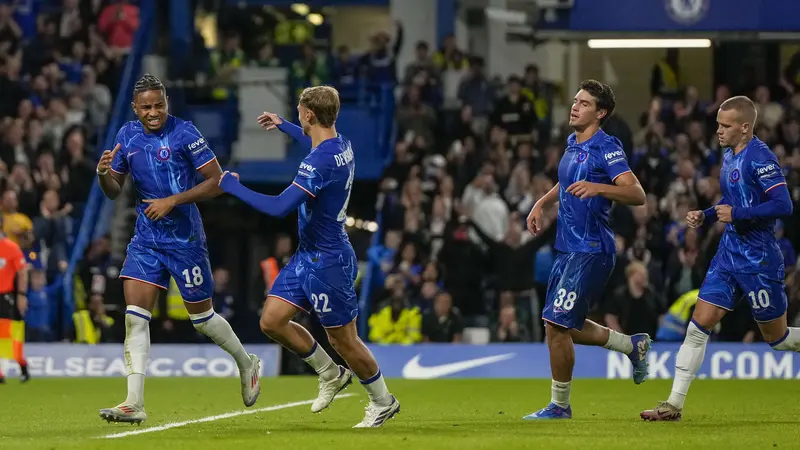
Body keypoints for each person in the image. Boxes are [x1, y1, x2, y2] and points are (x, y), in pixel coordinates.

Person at [218, 85, 400, 428]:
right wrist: (285, 125)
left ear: (309, 115)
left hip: (329, 260)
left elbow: (278, 207)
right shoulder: (339, 144)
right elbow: (314, 143)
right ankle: (330, 372)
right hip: (308, 256)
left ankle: (383, 400)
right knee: (271, 320)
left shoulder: (319, 162)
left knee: (343, 339)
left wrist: (232, 187)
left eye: (300, 111)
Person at [95, 74, 260, 424]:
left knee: (202, 319)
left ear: (166, 103)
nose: (153, 112)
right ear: (134, 109)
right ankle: (133, 402)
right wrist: (103, 174)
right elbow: (114, 190)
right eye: (146, 107)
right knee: (134, 318)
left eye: (159, 105)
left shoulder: (185, 133)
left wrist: (173, 200)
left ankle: (247, 362)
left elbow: (218, 182)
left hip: (185, 240)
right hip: (146, 239)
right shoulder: (127, 135)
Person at [641, 96, 797, 421]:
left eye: (725, 126)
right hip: (728, 254)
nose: (718, 131)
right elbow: (731, 200)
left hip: (758, 258)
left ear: (745, 127)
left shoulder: (761, 158)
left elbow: (783, 205)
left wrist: (736, 213)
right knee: (698, 326)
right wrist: (708, 215)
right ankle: (673, 404)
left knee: (778, 340)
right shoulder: (729, 155)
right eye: (718, 124)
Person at [523, 79, 650, 420]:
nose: (575, 106)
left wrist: (600, 187)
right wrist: (542, 202)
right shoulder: (573, 142)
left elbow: (636, 193)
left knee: (555, 324)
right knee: (562, 322)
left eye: (584, 103)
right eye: (575, 100)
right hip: (567, 247)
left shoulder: (607, 148)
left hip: (591, 248)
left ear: (601, 113)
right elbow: (566, 181)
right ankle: (631, 345)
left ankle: (560, 406)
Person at [0, 215, 30, 383]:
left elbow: (22, 271)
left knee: (6, 336)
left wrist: (21, 294)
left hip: (5, 297)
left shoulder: (11, 248)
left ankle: (21, 365)